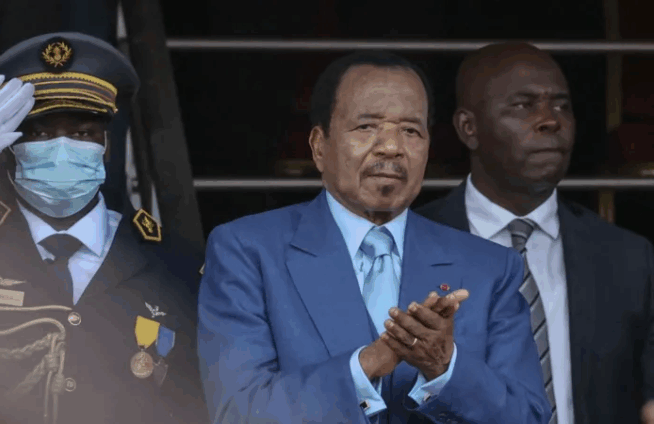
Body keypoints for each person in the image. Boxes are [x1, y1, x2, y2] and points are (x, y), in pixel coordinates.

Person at [197, 50, 551, 424]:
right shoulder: (247, 251)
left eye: (410, 130)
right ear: (319, 146)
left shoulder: (489, 268)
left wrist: (445, 368)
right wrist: (367, 364)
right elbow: (237, 412)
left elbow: (528, 417)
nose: (391, 147)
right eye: (366, 127)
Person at [0, 32, 208, 424]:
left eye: (82, 133)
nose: (61, 149)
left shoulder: (177, 266)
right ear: (7, 147)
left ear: (107, 145)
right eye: (40, 133)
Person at [416, 42, 654, 424]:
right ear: (468, 128)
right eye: (523, 105)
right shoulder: (406, 246)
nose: (550, 121)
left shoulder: (628, 258)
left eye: (562, 106)